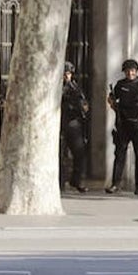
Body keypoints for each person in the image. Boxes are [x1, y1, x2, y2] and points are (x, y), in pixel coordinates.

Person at [106, 59, 138, 195]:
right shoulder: (120, 85)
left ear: (136, 71)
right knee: (120, 154)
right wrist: (113, 105)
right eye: (128, 71)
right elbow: (111, 99)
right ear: (124, 72)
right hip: (123, 125)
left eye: (133, 71)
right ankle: (115, 184)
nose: (130, 73)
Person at [60, 62, 89, 193]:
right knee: (60, 154)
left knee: (80, 152)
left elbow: (82, 100)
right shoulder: (57, 88)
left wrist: (84, 107)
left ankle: (76, 180)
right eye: (64, 73)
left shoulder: (75, 86)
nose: (66, 76)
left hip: (74, 122)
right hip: (60, 122)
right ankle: (60, 182)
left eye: (68, 73)